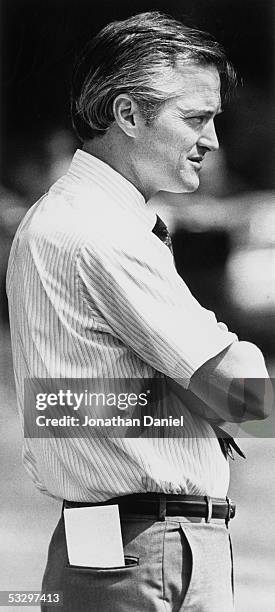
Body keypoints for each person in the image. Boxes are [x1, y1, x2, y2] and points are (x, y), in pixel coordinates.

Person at [6, 11, 271, 612]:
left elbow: (64, 406)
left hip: (119, 550)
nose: (212, 140)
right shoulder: (103, 234)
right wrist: (218, 379)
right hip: (147, 555)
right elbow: (250, 401)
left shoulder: (67, 219)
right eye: (196, 118)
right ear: (127, 114)